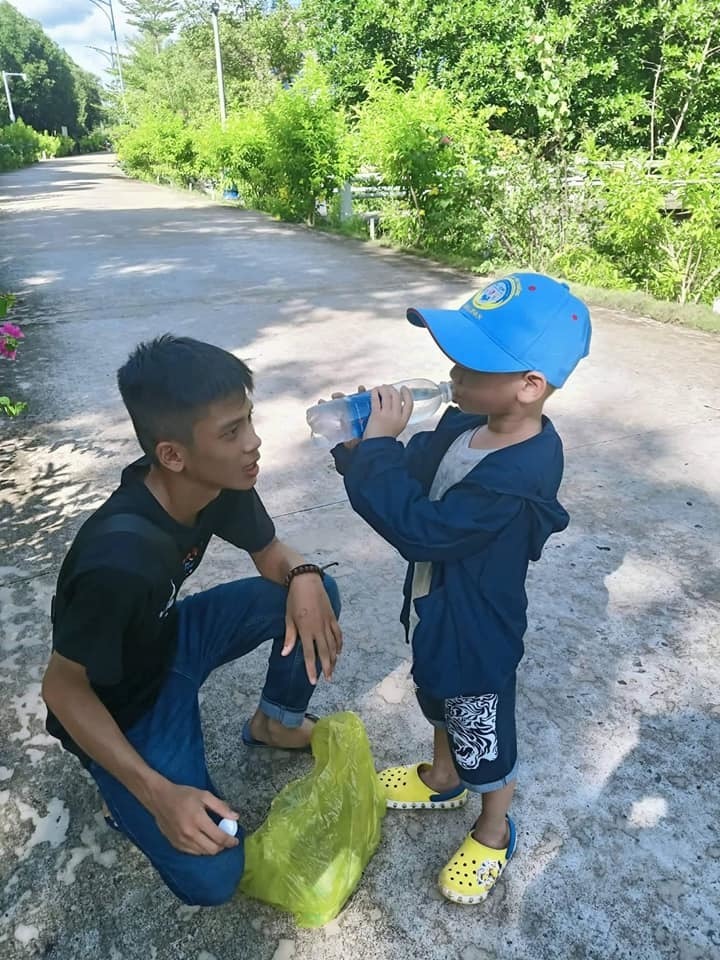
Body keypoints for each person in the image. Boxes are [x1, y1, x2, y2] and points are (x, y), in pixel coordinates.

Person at [42, 335, 342, 907]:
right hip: (125, 708)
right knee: (215, 877)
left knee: (315, 592)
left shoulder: (218, 479)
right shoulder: (117, 561)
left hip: (172, 639)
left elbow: (270, 552)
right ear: (172, 454)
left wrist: (303, 573)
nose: (253, 442)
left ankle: (276, 723)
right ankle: (119, 792)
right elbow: (61, 687)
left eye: (248, 419)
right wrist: (157, 794)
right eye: (231, 432)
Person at [328, 273, 591, 904]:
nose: (452, 372)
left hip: (477, 630)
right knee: (435, 691)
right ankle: (443, 777)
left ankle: (494, 827)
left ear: (529, 386)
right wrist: (362, 447)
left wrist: (376, 455)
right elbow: (414, 473)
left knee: (481, 727)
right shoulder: (467, 421)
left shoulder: (518, 476)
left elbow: (422, 529)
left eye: (472, 365)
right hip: (435, 605)